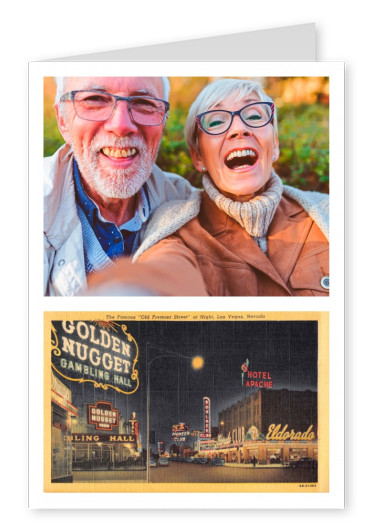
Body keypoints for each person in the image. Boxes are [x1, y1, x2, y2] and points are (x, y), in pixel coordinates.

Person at [87, 78, 329, 296]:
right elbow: (165, 271)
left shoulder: (328, 213)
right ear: (198, 157)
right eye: (216, 121)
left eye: (254, 116)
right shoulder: (177, 229)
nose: (239, 129)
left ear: (274, 144)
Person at [44, 76, 199, 296]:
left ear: (163, 121)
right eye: (95, 99)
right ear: (62, 120)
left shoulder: (187, 204)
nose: (121, 126)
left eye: (144, 103)